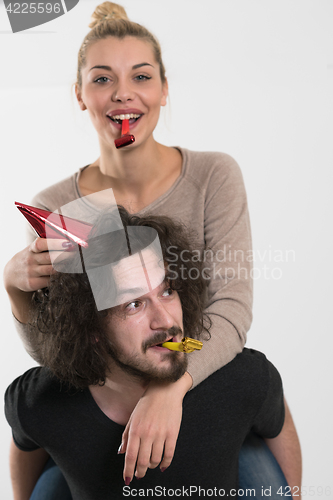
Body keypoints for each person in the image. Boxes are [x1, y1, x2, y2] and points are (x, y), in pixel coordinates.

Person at [3, 1, 293, 496]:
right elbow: (65, 348)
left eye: (140, 76)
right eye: (101, 79)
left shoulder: (213, 175)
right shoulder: (56, 205)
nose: (122, 94)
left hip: (201, 384)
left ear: (162, 90)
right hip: (108, 405)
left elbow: (231, 311)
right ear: (79, 95)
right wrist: (15, 290)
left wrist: (171, 389)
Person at [5, 208, 302, 500]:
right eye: (133, 304)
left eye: (167, 291)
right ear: (91, 326)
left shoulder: (242, 377)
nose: (166, 321)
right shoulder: (38, 399)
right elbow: (26, 442)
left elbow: (277, 423)